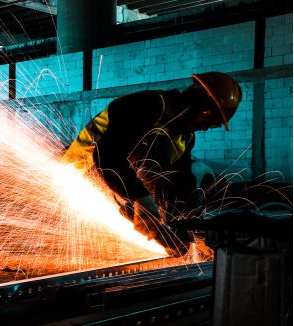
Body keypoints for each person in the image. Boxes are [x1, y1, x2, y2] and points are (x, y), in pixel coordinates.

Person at [63, 72, 242, 255]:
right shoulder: (150, 105)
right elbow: (107, 156)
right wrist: (141, 199)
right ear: (196, 99)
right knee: (157, 143)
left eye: (213, 124)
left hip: (115, 181)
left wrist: (189, 228)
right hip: (83, 173)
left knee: (179, 237)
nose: (205, 127)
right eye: (207, 117)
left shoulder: (185, 137)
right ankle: (127, 203)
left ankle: (147, 214)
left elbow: (181, 182)